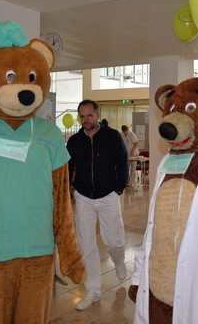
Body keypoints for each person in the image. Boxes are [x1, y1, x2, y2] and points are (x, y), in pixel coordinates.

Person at [67, 99, 129, 310]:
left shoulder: (113, 136)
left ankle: (118, 259)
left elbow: (123, 161)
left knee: (114, 240)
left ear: (97, 115)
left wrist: (119, 187)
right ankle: (92, 290)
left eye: (89, 115)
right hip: (83, 197)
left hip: (108, 195)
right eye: (82, 116)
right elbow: (68, 167)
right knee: (86, 245)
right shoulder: (75, 141)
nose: (86, 120)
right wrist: (68, 188)